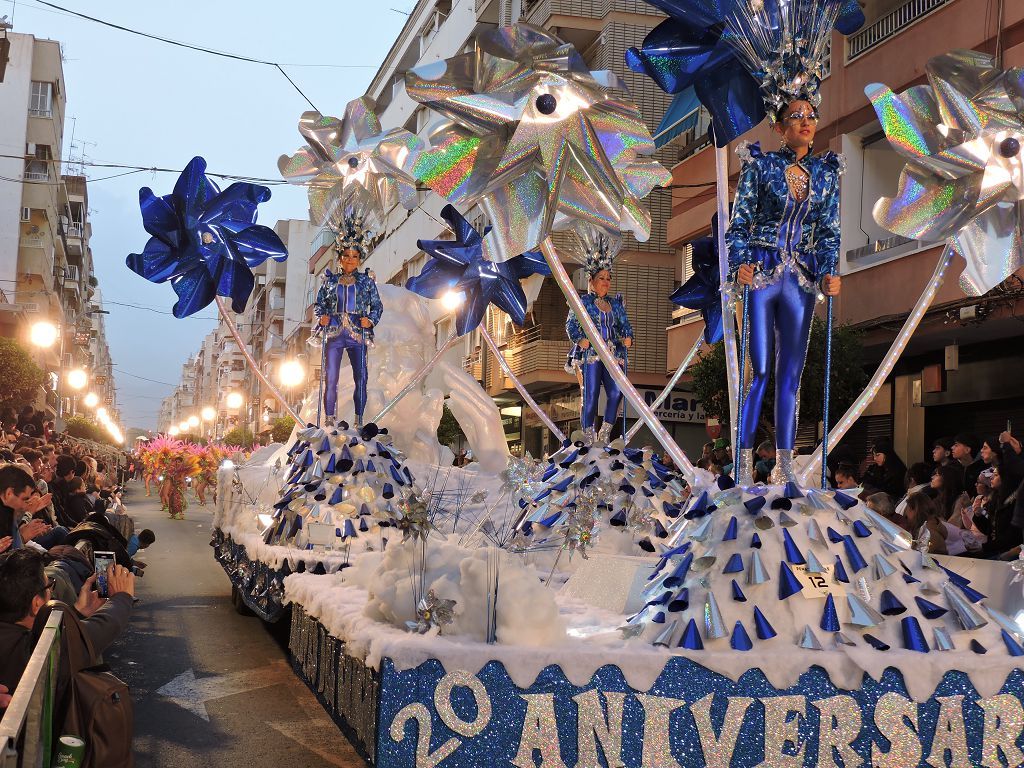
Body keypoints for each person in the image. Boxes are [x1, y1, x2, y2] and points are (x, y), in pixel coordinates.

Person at [727, 97, 842, 484]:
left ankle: (785, 464)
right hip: (762, 273)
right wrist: (741, 261)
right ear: (779, 127)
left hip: (802, 280)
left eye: (811, 116)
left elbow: (829, 232)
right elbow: (738, 225)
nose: (805, 122)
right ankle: (743, 463)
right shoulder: (761, 167)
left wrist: (829, 273)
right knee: (759, 371)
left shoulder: (826, 174)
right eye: (796, 116)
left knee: (790, 376)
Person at [0, 548, 134, 715]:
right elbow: (97, 631)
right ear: (36, 604)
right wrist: (122, 597)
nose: (51, 592)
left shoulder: (12, 636)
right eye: (49, 584)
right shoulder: (32, 649)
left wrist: (78, 611)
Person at [314, 212, 383, 430]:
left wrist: (370, 321)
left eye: (354, 256)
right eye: (346, 256)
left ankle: (359, 418)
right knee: (330, 377)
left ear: (359, 259)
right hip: (334, 333)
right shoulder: (330, 281)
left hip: (357, 334)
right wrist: (322, 317)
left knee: (361, 377)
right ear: (340, 259)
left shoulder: (366, 281)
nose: (350, 260)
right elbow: (319, 305)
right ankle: (329, 419)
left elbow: (377, 306)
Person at [565, 232, 633, 444]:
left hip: (611, 354)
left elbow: (625, 326)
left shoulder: (615, 304)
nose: (606, 282)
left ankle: (605, 431)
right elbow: (570, 325)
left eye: (608, 278)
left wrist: (628, 336)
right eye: (601, 278)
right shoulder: (582, 302)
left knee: (616, 392)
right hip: (591, 354)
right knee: (590, 394)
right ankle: (587, 433)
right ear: (592, 280)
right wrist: (580, 339)